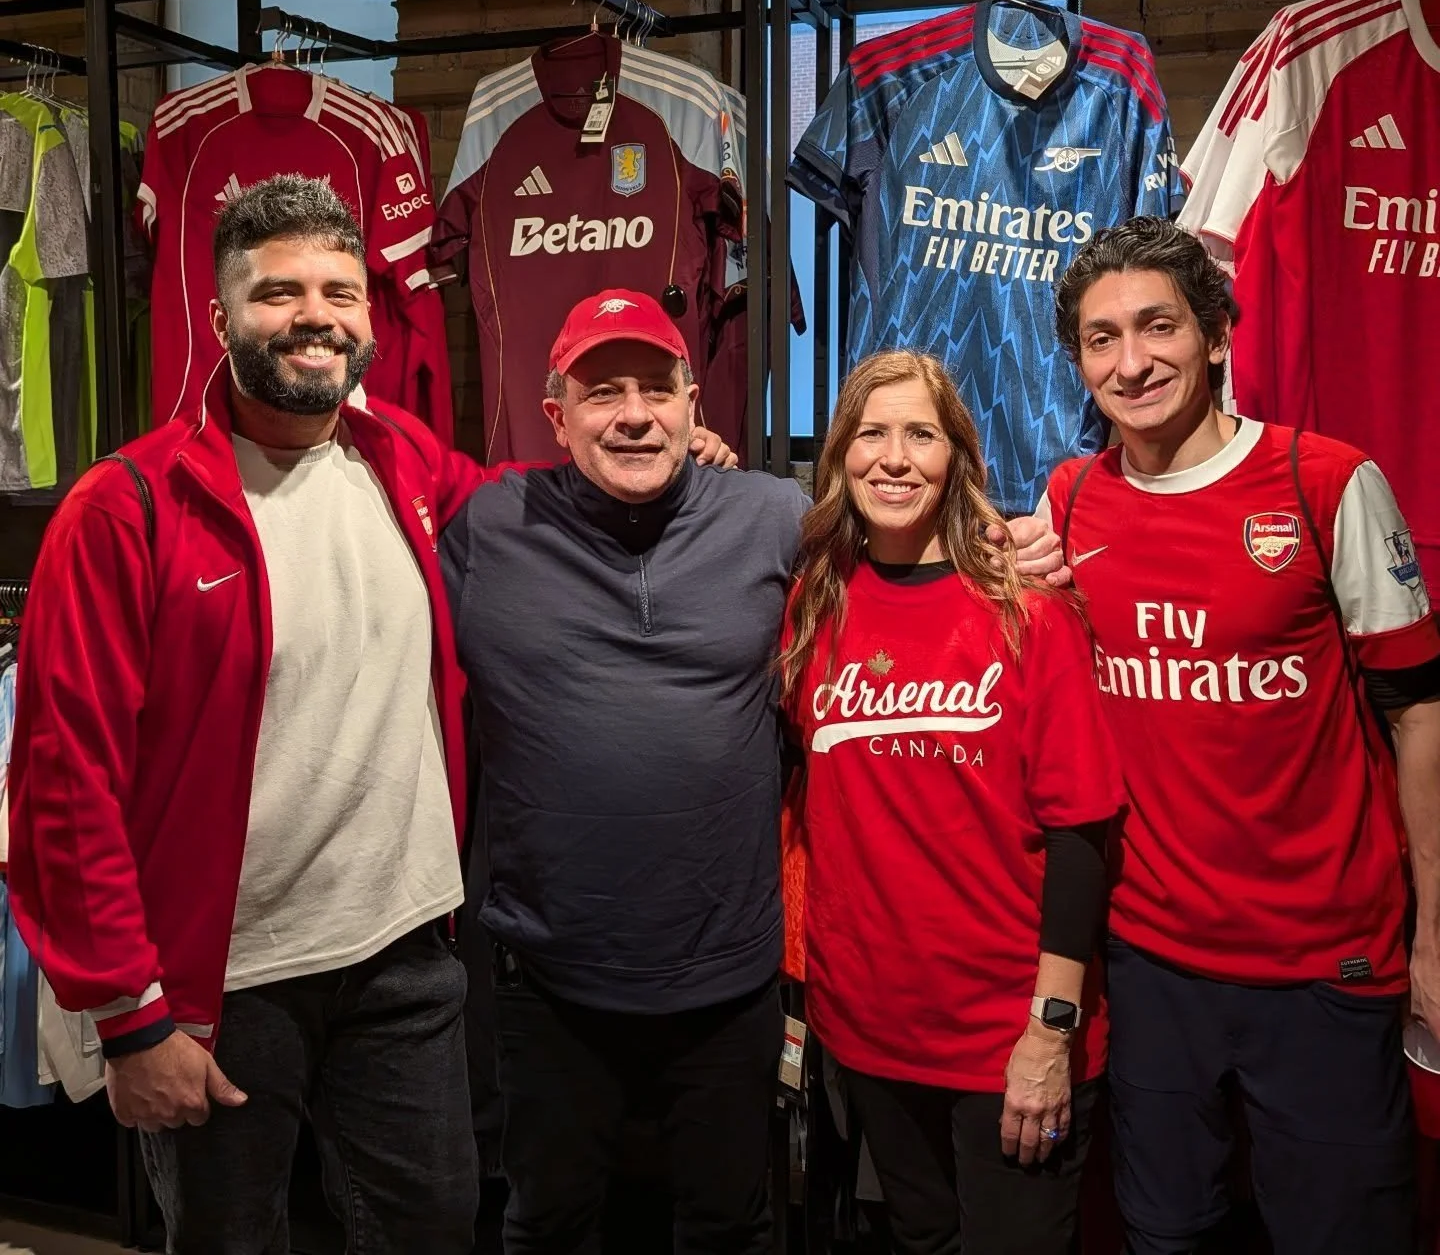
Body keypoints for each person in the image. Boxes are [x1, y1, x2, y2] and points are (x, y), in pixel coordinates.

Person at [5, 177, 733, 1255]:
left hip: (408, 956)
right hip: (226, 983)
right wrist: (130, 1017)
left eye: (340, 291)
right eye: (278, 292)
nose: (315, 315)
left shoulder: (400, 456)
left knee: (431, 1228)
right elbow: (62, 789)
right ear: (219, 318)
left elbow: (526, 508)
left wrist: (677, 461)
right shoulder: (125, 510)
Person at [1011, 215, 1440, 1254]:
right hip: (1152, 962)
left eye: (1158, 327)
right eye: (1102, 338)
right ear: (1078, 362)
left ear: (1214, 335)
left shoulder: (1327, 482)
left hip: (1324, 962)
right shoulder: (1069, 500)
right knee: (1164, 1235)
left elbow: (1420, 712)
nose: (1132, 360)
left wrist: (1434, 931)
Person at [439, 289, 811, 1255]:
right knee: (548, 1225)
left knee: (730, 1227)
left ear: (696, 404)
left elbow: (911, 579)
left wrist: (1022, 550)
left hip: (729, 978)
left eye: (657, 387)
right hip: (549, 977)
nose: (635, 413)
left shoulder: (776, 518)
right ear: (556, 418)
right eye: (604, 392)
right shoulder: (486, 530)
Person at [778, 350, 1121, 1255]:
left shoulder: (1026, 612)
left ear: (957, 456)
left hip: (1007, 1038)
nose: (894, 458)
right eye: (871, 434)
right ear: (840, 455)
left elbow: (1082, 833)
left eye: (920, 434)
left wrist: (1050, 1032)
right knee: (921, 1242)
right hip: (870, 1030)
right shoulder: (816, 603)